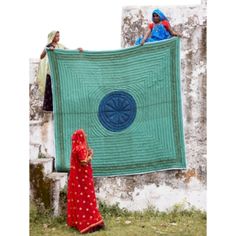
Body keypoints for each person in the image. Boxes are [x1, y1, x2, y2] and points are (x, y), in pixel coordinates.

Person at [67, 129, 105, 234]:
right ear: (81, 136)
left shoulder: (75, 148)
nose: (86, 136)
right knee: (88, 199)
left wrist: (88, 153)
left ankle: (78, 222)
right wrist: (91, 156)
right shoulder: (81, 148)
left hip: (76, 179)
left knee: (78, 199)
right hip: (84, 179)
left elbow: (79, 160)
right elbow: (84, 162)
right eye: (84, 135)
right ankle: (90, 223)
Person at [37, 31, 83, 111]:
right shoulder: (48, 46)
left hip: (60, 72)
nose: (58, 38)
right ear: (52, 37)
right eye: (57, 36)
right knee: (50, 92)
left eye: (59, 36)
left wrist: (77, 49)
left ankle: (61, 109)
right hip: (51, 72)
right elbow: (41, 56)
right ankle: (51, 112)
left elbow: (69, 52)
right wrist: (47, 50)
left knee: (60, 91)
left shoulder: (61, 46)